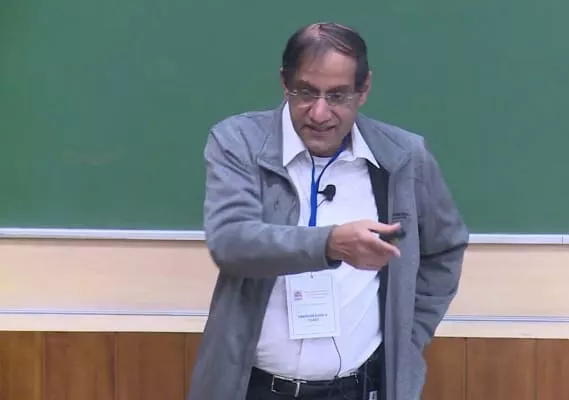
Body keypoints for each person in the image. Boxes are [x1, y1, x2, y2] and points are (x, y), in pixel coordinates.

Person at [187, 21, 469, 400]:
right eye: (305, 92)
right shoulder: (239, 143)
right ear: (284, 83)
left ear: (363, 90)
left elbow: (445, 247)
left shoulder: (403, 158)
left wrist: (407, 335)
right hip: (254, 387)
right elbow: (231, 241)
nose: (319, 113)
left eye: (337, 96)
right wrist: (330, 244)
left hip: (360, 387)